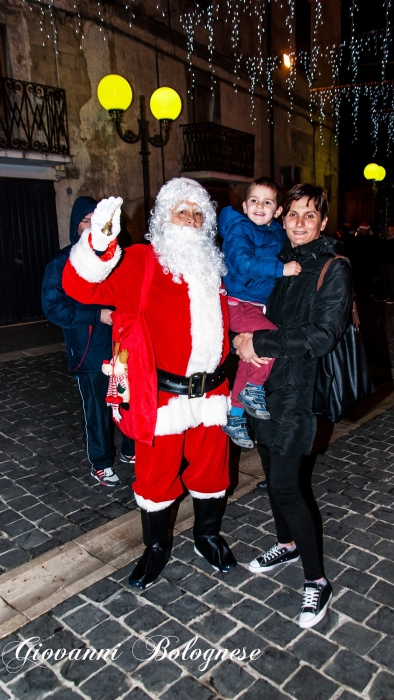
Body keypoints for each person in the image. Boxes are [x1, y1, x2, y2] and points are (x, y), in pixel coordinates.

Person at [62, 178, 237, 589]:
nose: (191, 222)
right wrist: (98, 245)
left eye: (198, 215)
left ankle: (207, 535)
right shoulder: (142, 260)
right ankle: (156, 548)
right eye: (182, 212)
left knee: (212, 473)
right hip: (161, 398)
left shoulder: (212, 264)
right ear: (164, 218)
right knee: (156, 479)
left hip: (211, 394)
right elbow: (79, 286)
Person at [234, 183, 353, 629]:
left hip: (299, 392)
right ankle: (285, 543)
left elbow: (322, 336)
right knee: (269, 471)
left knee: (286, 485)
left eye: (310, 215)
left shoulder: (334, 268)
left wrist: (258, 341)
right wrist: (241, 341)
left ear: (323, 222)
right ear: (283, 219)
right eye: (294, 215)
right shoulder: (279, 264)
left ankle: (317, 580)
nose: (300, 223)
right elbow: (249, 311)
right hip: (263, 384)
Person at [41, 196, 135, 487]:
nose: (92, 225)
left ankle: (131, 449)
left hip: (122, 347)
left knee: (126, 401)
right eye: (86, 220)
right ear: (76, 226)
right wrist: (98, 315)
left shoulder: (120, 257)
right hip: (88, 351)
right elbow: (54, 307)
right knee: (97, 410)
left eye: (98, 220)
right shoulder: (61, 262)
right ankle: (101, 462)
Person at [219, 177, 300, 449]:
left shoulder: (276, 232)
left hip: (256, 304)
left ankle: (236, 414)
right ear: (244, 205)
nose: (259, 206)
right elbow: (243, 263)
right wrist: (282, 269)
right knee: (269, 340)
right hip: (239, 302)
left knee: (252, 357)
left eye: (267, 202)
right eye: (254, 200)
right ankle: (252, 390)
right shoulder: (239, 229)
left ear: (277, 211)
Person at [378, 225, 394, 304]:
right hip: (384, 262)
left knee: (392, 280)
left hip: (392, 263)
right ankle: (385, 295)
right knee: (385, 280)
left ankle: (392, 297)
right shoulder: (385, 240)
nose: (389, 232)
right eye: (388, 230)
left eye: (391, 230)